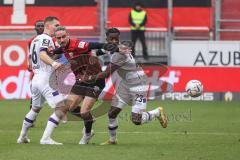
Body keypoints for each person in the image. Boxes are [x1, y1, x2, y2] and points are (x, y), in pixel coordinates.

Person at [78, 41, 168, 145]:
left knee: (136, 120)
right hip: (125, 85)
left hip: (138, 85)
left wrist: (88, 77)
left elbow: (106, 74)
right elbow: (97, 52)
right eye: (110, 38)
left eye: (115, 38)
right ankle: (112, 140)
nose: (113, 41)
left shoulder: (121, 55)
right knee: (112, 113)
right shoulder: (113, 48)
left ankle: (156, 112)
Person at [51, 26, 116, 144]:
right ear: (56, 39)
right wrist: (52, 52)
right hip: (80, 80)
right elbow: (61, 50)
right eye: (59, 38)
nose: (61, 40)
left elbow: (94, 45)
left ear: (68, 35)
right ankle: (90, 120)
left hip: (95, 79)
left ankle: (87, 135)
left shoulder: (77, 44)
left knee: (84, 112)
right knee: (69, 107)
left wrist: (110, 47)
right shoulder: (62, 47)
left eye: (64, 37)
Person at [17, 16, 69, 145]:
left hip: (36, 79)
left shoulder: (36, 39)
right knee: (62, 108)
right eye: (56, 25)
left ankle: (22, 137)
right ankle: (45, 138)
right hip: (45, 79)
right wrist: (54, 63)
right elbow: (42, 55)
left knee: (35, 109)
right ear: (48, 25)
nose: (58, 28)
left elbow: (43, 55)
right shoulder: (46, 38)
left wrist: (57, 55)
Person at [27, 20, 44, 110]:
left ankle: (61, 113)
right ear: (35, 28)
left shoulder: (48, 39)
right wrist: (29, 63)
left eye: (42, 25)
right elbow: (30, 54)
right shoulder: (31, 41)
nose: (40, 27)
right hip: (37, 71)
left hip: (47, 70)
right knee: (35, 94)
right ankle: (31, 117)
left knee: (55, 92)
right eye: (38, 26)